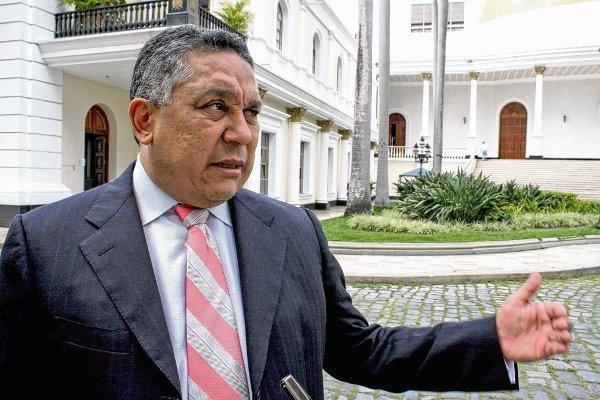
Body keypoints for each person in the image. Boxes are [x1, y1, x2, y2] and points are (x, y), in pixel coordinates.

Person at [0, 26, 572, 400]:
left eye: (251, 112)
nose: (243, 133)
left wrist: (490, 339)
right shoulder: (45, 244)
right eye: (216, 107)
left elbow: (359, 351)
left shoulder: (294, 230)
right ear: (145, 120)